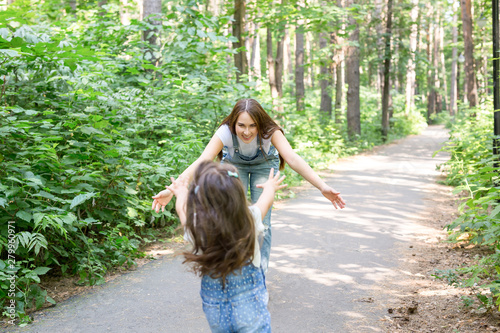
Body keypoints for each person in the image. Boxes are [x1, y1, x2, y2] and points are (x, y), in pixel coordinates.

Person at [152, 98, 345, 272]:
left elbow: (292, 158)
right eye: (241, 125)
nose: (247, 131)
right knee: (232, 214)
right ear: (233, 123)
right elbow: (204, 159)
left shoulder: (270, 131)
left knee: (262, 222)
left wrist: (322, 186)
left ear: (260, 124)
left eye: (253, 126)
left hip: (265, 165)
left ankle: (258, 273)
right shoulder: (225, 132)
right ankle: (235, 266)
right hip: (235, 165)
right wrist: (173, 189)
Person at [166, 161, 286, 332]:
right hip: (249, 303)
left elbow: (182, 209)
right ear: (238, 195)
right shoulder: (250, 218)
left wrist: (181, 192)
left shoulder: (196, 228)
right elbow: (265, 201)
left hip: (214, 306)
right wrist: (270, 187)